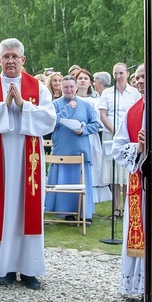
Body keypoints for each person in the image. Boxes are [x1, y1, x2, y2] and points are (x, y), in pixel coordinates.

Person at [0, 38, 56, 290]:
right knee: (2, 211)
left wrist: (23, 106)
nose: (10, 60)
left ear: (23, 60)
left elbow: (50, 120)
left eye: (14, 56)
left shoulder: (38, 88)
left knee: (26, 212)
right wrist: (3, 106)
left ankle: (29, 269)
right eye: (5, 56)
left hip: (28, 161)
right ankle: (3, 268)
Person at [111, 63, 146, 297]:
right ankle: (138, 287)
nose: (140, 81)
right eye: (137, 77)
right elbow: (117, 147)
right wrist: (139, 147)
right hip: (140, 182)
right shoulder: (134, 111)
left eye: (145, 76)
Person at [45, 75, 100, 224]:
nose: (69, 90)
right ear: (61, 88)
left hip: (80, 149)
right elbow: (50, 123)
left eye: (71, 87)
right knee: (64, 180)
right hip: (62, 149)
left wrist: (83, 130)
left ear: (76, 88)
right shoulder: (55, 104)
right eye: (65, 87)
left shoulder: (86, 105)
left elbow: (95, 124)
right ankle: (65, 212)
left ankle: (83, 212)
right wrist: (67, 110)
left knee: (81, 180)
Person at [99, 62, 140, 218]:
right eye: (115, 73)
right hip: (112, 133)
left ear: (127, 74)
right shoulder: (108, 93)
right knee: (113, 173)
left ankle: (128, 206)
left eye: (121, 73)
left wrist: (124, 132)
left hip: (129, 135)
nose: (119, 76)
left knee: (126, 172)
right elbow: (103, 115)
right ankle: (116, 208)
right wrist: (115, 131)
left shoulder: (135, 93)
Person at [75, 68, 110, 203]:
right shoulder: (72, 99)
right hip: (75, 138)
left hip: (90, 137)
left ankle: (90, 199)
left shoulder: (95, 101)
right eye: (80, 78)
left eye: (85, 78)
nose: (82, 81)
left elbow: (99, 121)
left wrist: (85, 128)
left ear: (90, 82)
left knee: (92, 165)